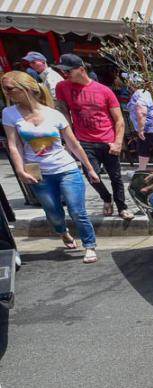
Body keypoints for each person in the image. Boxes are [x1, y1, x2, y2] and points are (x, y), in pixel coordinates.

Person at [1, 70, 99, 263]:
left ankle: (90, 245)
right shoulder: (9, 113)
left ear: (26, 88)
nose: (7, 93)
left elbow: (73, 144)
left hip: (66, 169)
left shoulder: (54, 114)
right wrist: (20, 170)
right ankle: (62, 232)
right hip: (38, 173)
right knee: (53, 213)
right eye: (4, 89)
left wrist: (89, 168)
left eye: (10, 88)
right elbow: (14, 145)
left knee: (77, 211)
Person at [54, 54, 133, 221]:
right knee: (92, 175)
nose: (65, 74)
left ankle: (122, 206)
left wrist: (118, 142)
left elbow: (119, 119)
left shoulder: (104, 91)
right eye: (63, 71)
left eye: (68, 71)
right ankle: (106, 198)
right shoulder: (62, 87)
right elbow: (64, 114)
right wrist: (69, 140)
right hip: (84, 140)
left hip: (107, 139)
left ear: (81, 69)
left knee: (116, 177)